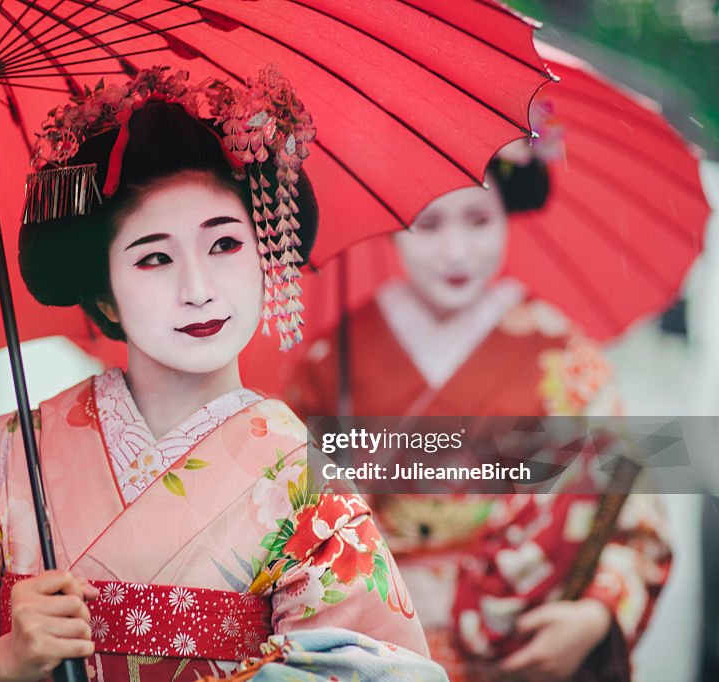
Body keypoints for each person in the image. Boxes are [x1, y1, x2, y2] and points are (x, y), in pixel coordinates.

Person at [0, 66, 445, 681]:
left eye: (224, 245)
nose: (198, 290)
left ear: (267, 257)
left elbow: (380, 671)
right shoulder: (0, 463)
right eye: (154, 258)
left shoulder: (305, 482)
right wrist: (6, 658)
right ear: (105, 296)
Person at [285, 141, 672, 681]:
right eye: (430, 224)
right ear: (394, 223)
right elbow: (283, 516)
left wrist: (594, 615)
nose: (457, 250)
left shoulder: (558, 353)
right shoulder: (335, 360)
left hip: (516, 638)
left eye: (477, 219)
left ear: (508, 213)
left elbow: (632, 500)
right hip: (373, 641)